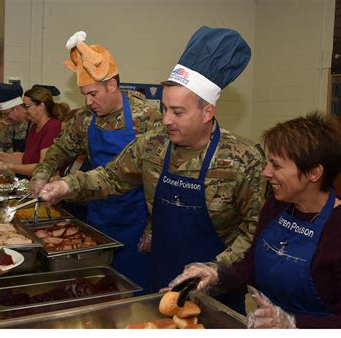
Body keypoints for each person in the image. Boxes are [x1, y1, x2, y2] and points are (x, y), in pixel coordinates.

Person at [36, 27, 266, 300]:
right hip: (161, 271)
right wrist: (64, 186)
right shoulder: (154, 143)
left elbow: (256, 230)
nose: (166, 120)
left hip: (215, 286)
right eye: (165, 108)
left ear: (207, 112)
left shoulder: (243, 160)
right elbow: (111, 178)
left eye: (178, 112)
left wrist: (218, 268)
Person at [167, 112, 341, 328]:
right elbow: (251, 268)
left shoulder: (335, 230)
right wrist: (216, 274)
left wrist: (293, 325)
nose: (265, 172)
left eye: (276, 166)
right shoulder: (276, 207)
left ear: (314, 173)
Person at [30, 31, 162, 292]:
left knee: (133, 291)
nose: (88, 102)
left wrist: (154, 227)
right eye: (84, 95)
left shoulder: (147, 117)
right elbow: (59, 150)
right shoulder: (83, 119)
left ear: (112, 85)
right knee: (98, 289)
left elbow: (160, 181)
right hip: (98, 220)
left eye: (93, 94)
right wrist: (41, 173)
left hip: (136, 221)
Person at [0, 86, 63, 178]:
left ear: (41, 106)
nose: (25, 110)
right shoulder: (34, 127)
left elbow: (43, 168)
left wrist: (9, 167)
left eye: (27, 106)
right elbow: (25, 159)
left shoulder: (52, 126)